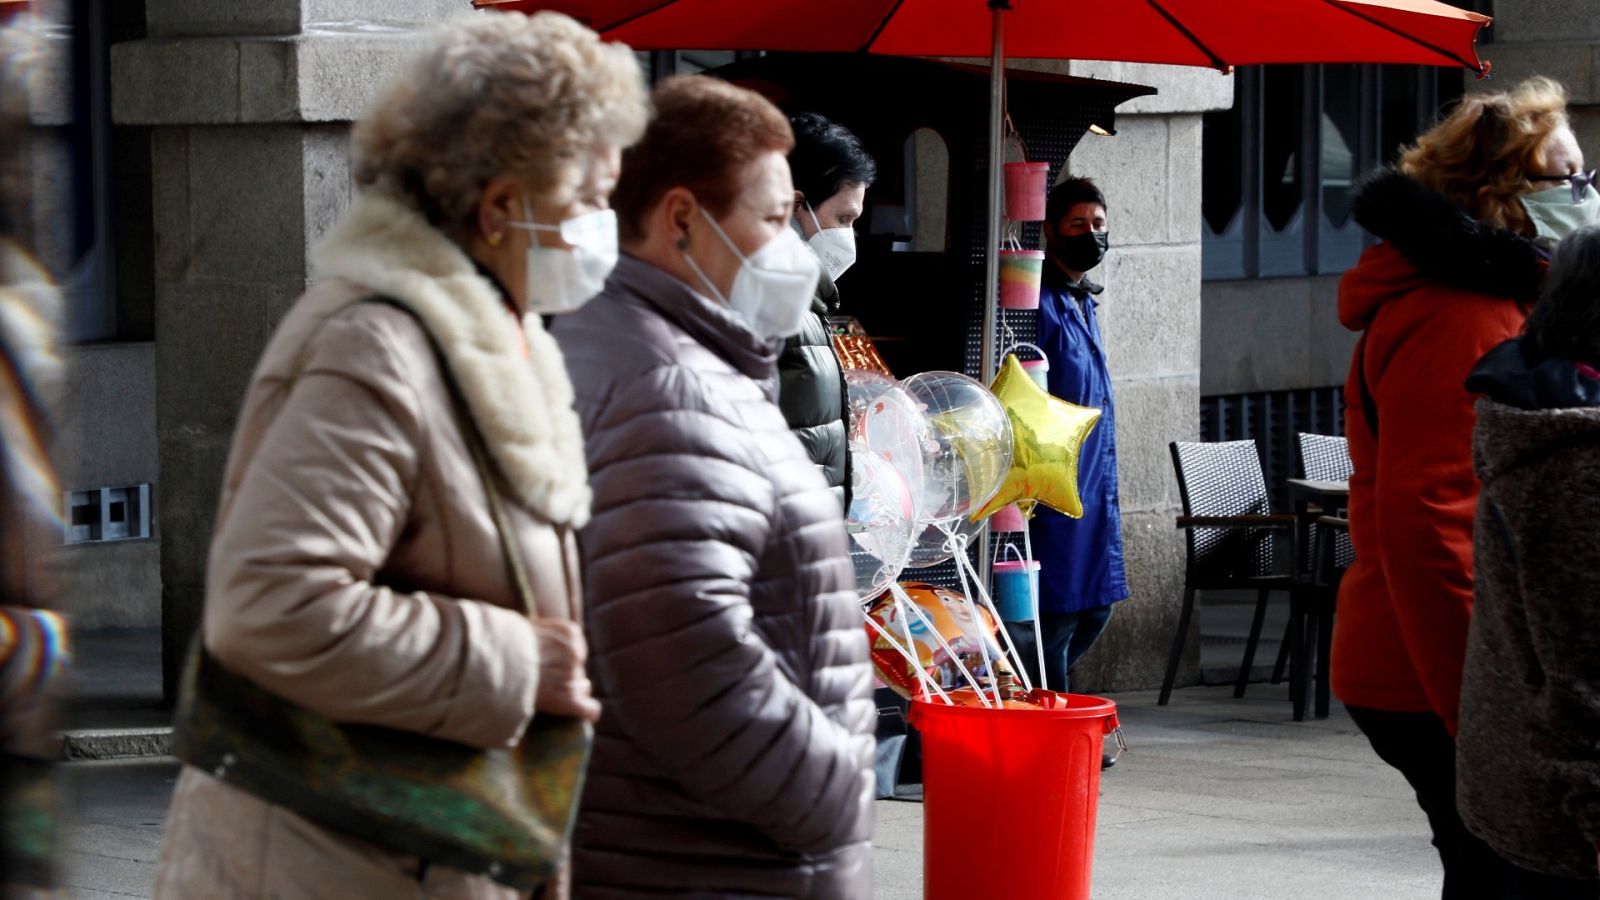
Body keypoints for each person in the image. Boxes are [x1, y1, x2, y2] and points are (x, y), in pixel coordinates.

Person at [151, 13, 647, 899]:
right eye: (590, 199)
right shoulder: (375, 346)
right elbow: (272, 605)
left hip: (423, 847)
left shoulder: (497, 332)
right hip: (335, 856)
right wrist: (518, 662)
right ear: (500, 207)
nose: (606, 225)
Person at [551, 76, 875, 899]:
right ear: (683, 219)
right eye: (771, 220)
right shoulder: (665, 383)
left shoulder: (681, 355)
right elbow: (686, 661)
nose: (789, 246)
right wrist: (834, 795)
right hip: (717, 863)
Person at [1333, 75, 1586, 898]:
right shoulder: (1463, 316)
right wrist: (1472, 716)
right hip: (1431, 671)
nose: (1587, 194)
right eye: (1568, 177)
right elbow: (1430, 523)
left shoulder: (1489, 300)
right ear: (1502, 194)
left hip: (1439, 663)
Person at [1456, 226, 1600, 898]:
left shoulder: (1552, 433)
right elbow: (1579, 670)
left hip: (1527, 793)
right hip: (1566, 826)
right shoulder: (1574, 462)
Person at [1008, 178, 1128, 717]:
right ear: (1052, 229)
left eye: (1098, 225)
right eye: (1079, 225)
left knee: (1097, 606)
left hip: (1095, 479)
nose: (1091, 235)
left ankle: (1059, 705)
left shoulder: (1083, 302)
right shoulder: (1040, 302)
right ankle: (1053, 715)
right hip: (1052, 481)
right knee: (1055, 613)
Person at [778, 112, 877, 510]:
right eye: (843, 218)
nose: (848, 236)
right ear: (796, 204)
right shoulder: (770, 296)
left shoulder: (807, 299)